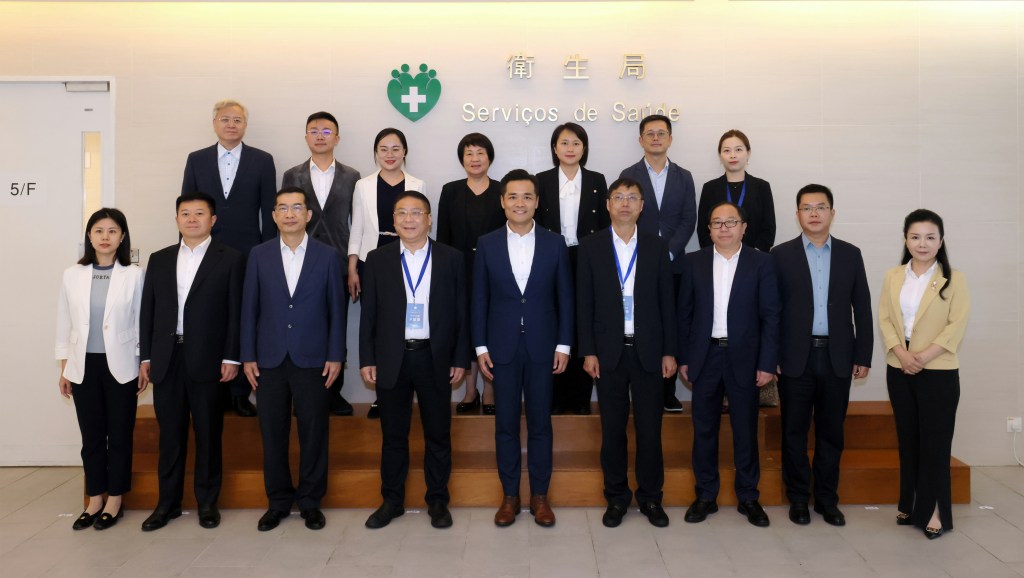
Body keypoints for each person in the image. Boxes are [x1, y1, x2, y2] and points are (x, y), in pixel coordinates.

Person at [359, 191, 470, 530]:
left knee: (438, 433)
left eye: (416, 213)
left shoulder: (451, 258)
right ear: (393, 221)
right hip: (392, 358)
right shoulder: (377, 259)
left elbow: (462, 313)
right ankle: (391, 501)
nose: (409, 219)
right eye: (402, 213)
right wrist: (367, 358)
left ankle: (437, 501)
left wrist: (460, 357)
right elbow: (369, 314)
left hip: (435, 357)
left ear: (429, 219)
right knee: (393, 435)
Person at [241, 187, 346, 532]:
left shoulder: (327, 256)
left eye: (296, 208)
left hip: (314, 357)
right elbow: (249, 308)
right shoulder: (259, 255)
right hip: (268, 359)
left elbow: (337, 310)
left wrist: (336, 354)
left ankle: (311, 502)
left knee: (314, 432)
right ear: (273, 216)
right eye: (283, 208)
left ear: (308, 215)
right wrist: (247, 355)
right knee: (273, 434)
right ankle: (278, 502)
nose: (289, 214)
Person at [138, 192, 244, 532]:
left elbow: (236, 313)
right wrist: (146, 356)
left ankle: (207, 503)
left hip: (209, 359)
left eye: (200, 213)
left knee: (209, 434)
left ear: (213, 220)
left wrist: (231, 356)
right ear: (177, 219)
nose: (192, 219)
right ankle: (166, 504)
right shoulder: (160, 259)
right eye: (185, 213)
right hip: (167, 359)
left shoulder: (230, 258)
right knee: (170, 435)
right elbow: (148, 310)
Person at [472, 169, 573, 528]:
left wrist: (564, 344)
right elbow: (479, 297)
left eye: (527, 196)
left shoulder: (555, 243)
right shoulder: (487, 243)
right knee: (506, 424)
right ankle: (510, 496)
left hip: (544, 346)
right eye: (513, 196)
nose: (520, 203)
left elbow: (565, 297)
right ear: (502, 202)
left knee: (541, 424)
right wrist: (480, 346)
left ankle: (540, 497)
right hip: (501, 347)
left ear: (537, 202)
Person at [576, 177, 676, 528]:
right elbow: (584, 303)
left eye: (632, 198)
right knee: (613, 430)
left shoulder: (655, 245)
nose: (624, 203)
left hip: (649, 351)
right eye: (618, 197)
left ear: (641, 206)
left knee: (650, 431)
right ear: (607, 204)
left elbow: (667, 302)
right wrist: (588, 351)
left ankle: (651, 498)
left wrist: (669, 351)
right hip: (608, 353)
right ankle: (616, 498)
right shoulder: (590, 246)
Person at [771, 184, 873, 527]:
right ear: (797, 214)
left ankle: (827, 500)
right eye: (807, 208)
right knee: (794, 432)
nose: (814, 213)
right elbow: (771, 311)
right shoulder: (780, 255)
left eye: (821, 207)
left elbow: (862, 307)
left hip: (837, 357)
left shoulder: (850, 254)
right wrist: (772, 355)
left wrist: (863, 354)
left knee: (831, 433)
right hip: (794, 357)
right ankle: (799, 499)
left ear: (832, 212)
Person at [677, 201, 779, 528]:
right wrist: (684, 358)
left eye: (730, 222)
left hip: (745, 358)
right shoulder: (694, 262)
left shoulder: (762, 262)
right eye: (716, 223)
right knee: (704, 429)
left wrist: (767, 362)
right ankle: (706, 495)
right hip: (705, 356)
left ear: (743, 227)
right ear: (708, 229)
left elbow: (771, 316)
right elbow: (684, 315)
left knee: (745, 430)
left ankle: (748, 496)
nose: (723, 228)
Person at [181, 99, 276, 418]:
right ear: (215, 124)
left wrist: (269, 255)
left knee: (244, 317)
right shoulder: (197, 159)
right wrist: (184, 253)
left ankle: (240, 392)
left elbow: (269, 212)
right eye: (225, 119)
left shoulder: (262, 160)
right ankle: (214, 390)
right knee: (208, 317)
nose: (231, 124)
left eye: (237, 120)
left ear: (245, 125)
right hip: (204, 254)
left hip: (249, 253)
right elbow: (186, 206)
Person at [878, 209, 969, 540]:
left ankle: (935, 512)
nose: (922, 243)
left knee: (935, 444)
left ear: (941, 241)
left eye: (930, 237)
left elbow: (955, 327)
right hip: (899, 369)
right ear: (906, 240)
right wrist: (902, 355)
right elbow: (885, 319)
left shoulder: (953, 279)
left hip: (938, 373)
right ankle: (910, 505)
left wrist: (922, 357)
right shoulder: (893, 276)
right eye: (915, 237)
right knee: (908, 441)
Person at [55, 208, 144, 531]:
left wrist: (142, 363)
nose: (105, 237)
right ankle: (94, 498)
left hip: (122, 365)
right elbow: (64, 322)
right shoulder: (72, 274)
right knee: (91, 436)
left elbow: (140, 321)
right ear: (89, 237)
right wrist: (65, 367)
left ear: (122, 237)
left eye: (112, 231)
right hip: (83, 366)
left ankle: (115, 498)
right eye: (98, 231)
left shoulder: (134, 275)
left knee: (119, 435)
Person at [282, 111, 361, 417]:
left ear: (337, 138)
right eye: (314, 131)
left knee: (336, 325)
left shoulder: (352, 176)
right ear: (306, 137)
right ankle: (302, 393)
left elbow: (357, 223)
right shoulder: (292, 175)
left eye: (327, 131)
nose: (320, 136)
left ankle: (332, 392)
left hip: (339, 262)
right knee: (303, 325)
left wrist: (353, 265)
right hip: (301, 262)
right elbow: (286, 218)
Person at [619, 114, 696, 413]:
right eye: (649, 133)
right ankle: (640, 386)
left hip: (674, 264)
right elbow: (626, 215)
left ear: (670, 139)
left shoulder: (684, 176)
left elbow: (689, 219)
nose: (655, 138)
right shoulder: (629, 173)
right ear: (640, 140)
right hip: (638, 262)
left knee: (671, 322)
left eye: (661, 133)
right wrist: (650, 254)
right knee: (643, 322)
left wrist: (669, 252)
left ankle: (668, 391)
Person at [348, 128, 426, 419]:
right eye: (384, 149)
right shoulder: (363, 185)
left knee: (406, 321)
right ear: (375, 153)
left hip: (410, 255)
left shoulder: (418, 183)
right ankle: (383, 394)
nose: (390, 154)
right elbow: (357, 227)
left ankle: (408, 389)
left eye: (396, 149)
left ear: (405, 152)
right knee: (379, 325)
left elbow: (423, 222)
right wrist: (352, 265)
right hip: (374, 257)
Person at [537, 122, 610, 416]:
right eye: (564, 143)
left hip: (586, 257)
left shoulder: (596, 180)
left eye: (576, 143)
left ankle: (580, 399)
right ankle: (554, 398)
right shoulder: (541, 180)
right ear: (554, 148)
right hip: (550, 257)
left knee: (582, 322)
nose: (570, 148)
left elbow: (604, 226)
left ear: (584, 148)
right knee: (552, 321)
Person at [436, 133, 504, 416]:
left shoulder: (502, 190)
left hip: (495, 272)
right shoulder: (450, 191)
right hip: (459, 270)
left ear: (490, 157)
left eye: (480, 153)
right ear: (462, 159)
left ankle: (489, 390)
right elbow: (442, 236)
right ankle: (469, 390)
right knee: (463, 328)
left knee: (490, 328)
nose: (475, 159)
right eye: (469, 154)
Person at [697, 130, 776, 252]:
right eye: (727, 150)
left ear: (748, 153)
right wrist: (717, 255)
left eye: (738, 150)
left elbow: (769, 229)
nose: (732, 155)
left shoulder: (762, 187)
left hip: (754, 257)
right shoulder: (709, 188)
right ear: (720, 156)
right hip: (718, 257)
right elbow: (703, 229)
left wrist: (754, 254)